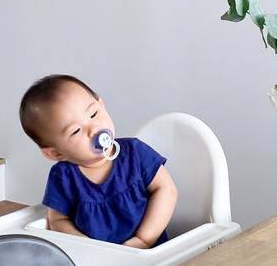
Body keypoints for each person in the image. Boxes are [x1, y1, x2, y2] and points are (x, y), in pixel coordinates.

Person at [20, 74, 178, 248]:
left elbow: (166, 190)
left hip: (150, 254)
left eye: (94, 113)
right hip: (98, 260)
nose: (93, 129)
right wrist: (90, 248)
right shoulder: (63, 176)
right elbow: (57, 220)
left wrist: (143, 239)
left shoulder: (135, 152)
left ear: (102, 105)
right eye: (75, 131)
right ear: (56, 153)